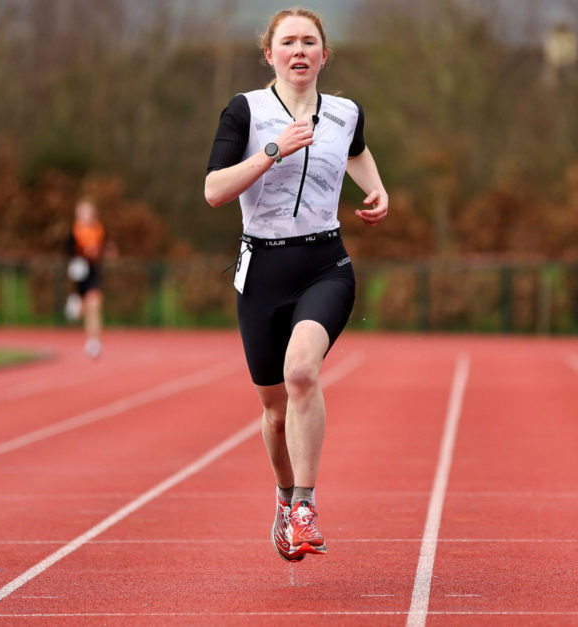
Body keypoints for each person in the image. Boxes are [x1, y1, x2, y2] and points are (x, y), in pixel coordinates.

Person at [204, 7, 388, 562]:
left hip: (324, 265)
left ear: (325, 54)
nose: (300, 50)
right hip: (262, 271)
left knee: (302, 371)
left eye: (310, 41)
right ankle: (285, 499)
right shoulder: (246, 111)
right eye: (289, 42)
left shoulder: (346, 113)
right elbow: (214, 190)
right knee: (275, 410)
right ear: (271, 54)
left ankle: (306, 506)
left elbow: (356, 150)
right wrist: (273, 150)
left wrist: (378, 190)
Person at [65, 198, 106, 359]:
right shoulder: (74, 232)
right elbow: (67, 252)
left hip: (93, 272)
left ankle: (93, 341)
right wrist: (76, 262)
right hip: (79, 273)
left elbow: (103, 248)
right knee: (82, 309)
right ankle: (74, 303)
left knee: (94, 304)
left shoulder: (99, 230)